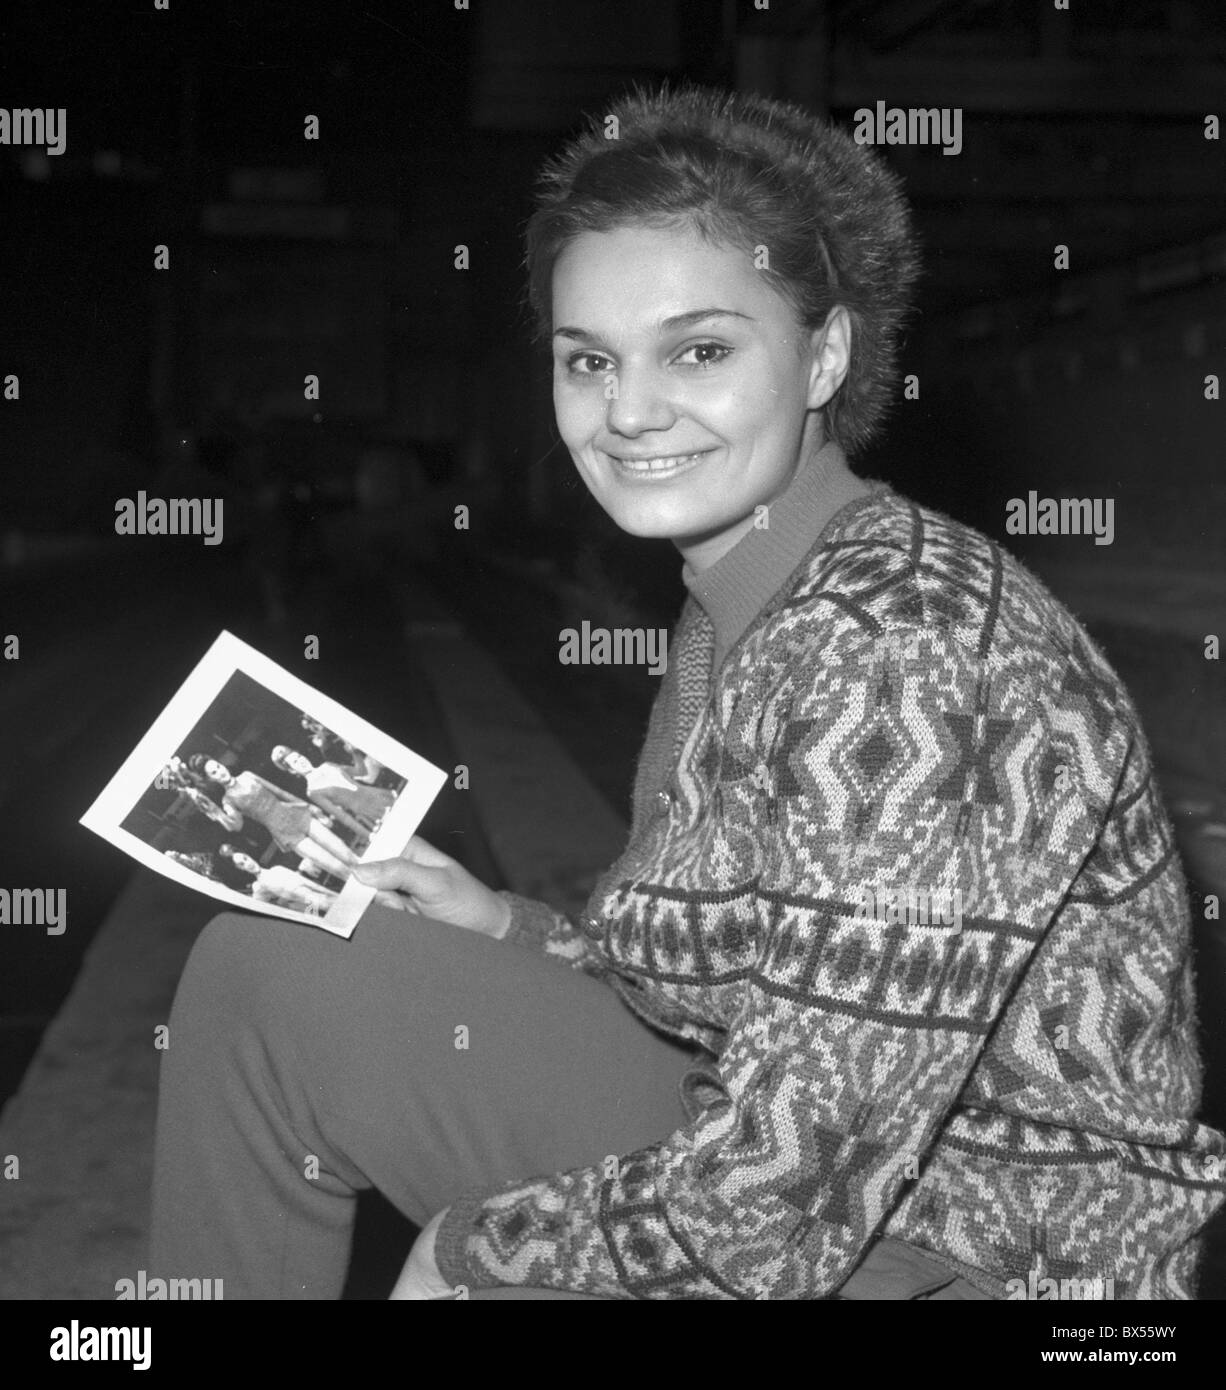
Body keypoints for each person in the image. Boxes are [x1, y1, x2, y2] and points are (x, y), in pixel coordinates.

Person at [150, 83, 1226, 1301]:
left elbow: (789, 1200)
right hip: (821, 1154)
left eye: (698, 351)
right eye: (587, 361)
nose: (628, 412)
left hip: (991, 1244)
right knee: (267, 982)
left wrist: (470, 1256)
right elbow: (756, 986)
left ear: (823, 354)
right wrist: (513, 928)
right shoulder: (755, 593)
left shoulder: (909, 649)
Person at [186, 754, 360, 882]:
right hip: (284, 833)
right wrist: (215, 813)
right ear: (211, 779)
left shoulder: (248, 775)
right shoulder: (228, 801)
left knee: (347, 854)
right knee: (336, 868)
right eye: (214, 772)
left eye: (217, 766)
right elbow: (235, 826)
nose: (220, 771)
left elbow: (280, 792)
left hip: (296, 814)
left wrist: (313, 808)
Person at [269, 744, 394, 839]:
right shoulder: (312, 791)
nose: (301, 761)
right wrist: (368, 835)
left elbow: (361, 772)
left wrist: (354, 752)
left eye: (299, 756)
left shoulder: (327, 765)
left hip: (380, 795)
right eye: (295, 762)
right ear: (292, 770)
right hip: (372, 815)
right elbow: (343, 817)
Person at [218, 844, 340, 918]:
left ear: (248, 855)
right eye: (242, 864)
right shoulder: (259, 887)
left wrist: (334, 894)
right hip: (316, 906)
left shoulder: (277, 869)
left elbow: (307, 883)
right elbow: (257, 908)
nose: (248, 863)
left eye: (246, 858)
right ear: (240, 869)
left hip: (325, 895)